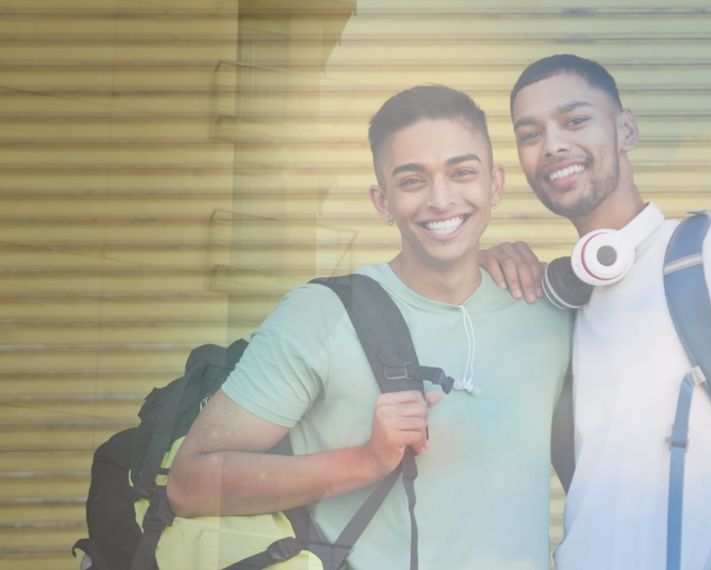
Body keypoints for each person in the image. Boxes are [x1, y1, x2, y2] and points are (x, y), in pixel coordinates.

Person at [167, 85, 572, 570]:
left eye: (462, 173)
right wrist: (364, 460)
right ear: (382, 201)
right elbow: (190, 484)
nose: (441, 200)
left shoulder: (548, 313)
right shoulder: (321, 315)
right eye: (412, 181)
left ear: (495, 185)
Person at [482, 54, 711, 570]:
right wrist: (475, 266)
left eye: (575, 120)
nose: (554, 144)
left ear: (626, 129)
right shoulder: (568, 300)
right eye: (530, 133)